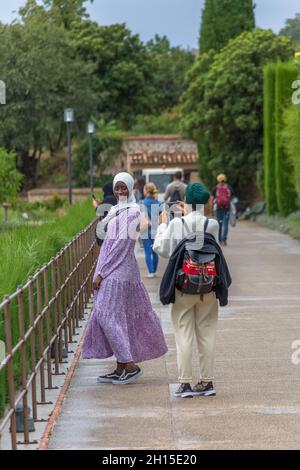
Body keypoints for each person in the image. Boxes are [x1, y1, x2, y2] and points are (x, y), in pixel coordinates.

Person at [83, 172, 168, 384]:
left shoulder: (133, 212)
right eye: (117, 188)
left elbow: (121, 245)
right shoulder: (114, 210)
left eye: (124, 188)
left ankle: (129, 363)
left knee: (105, 313)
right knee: (117, 315)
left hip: (119, 270)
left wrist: (102, 273)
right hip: (114, 267)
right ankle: (120, 367)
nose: (120, 191)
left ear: (131, 188)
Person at [153, 183, 231, 398]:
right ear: (206, 202)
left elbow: (162, 249)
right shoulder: (212, 224)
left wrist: (163, 225)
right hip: (208, 287)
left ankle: (185, 383)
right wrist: (190, 209)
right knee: (207, 335)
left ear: (185, 201)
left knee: (184, 334)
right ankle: (207, 382)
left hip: (183, 288)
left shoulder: (177, 223)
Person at [140, 183, 161, 279]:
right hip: (156, 230)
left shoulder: (142, 203)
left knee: (147, 252)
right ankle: (155, 271)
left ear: (146, 191)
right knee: (155, 252)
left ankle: (151, 272)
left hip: (145, 230)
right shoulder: (158, 203)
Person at [210, 174, 234, 247]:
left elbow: (211, 199)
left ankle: (219, 241)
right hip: (226, 208)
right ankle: (224, 240)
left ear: (218, 180)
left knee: (219, 224)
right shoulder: (228, 188)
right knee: (226, 225)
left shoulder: (215, 188)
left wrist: (211, 209)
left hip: (218, 208)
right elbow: (231, 197)